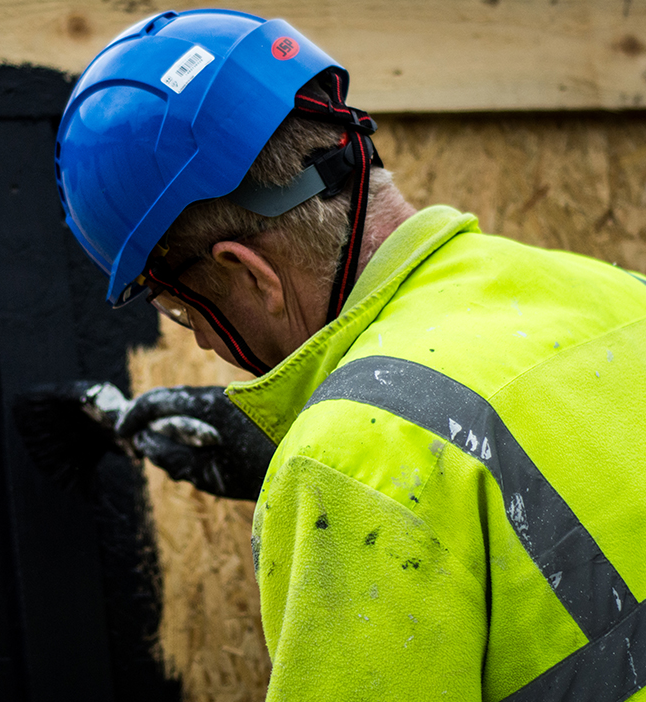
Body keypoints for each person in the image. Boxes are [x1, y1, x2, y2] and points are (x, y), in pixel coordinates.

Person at [54, 8, 646, 701]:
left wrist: (348, 459)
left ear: (248, 272)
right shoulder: (615, 290)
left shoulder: (344, 461)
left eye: (182, 312)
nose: (205, 342)